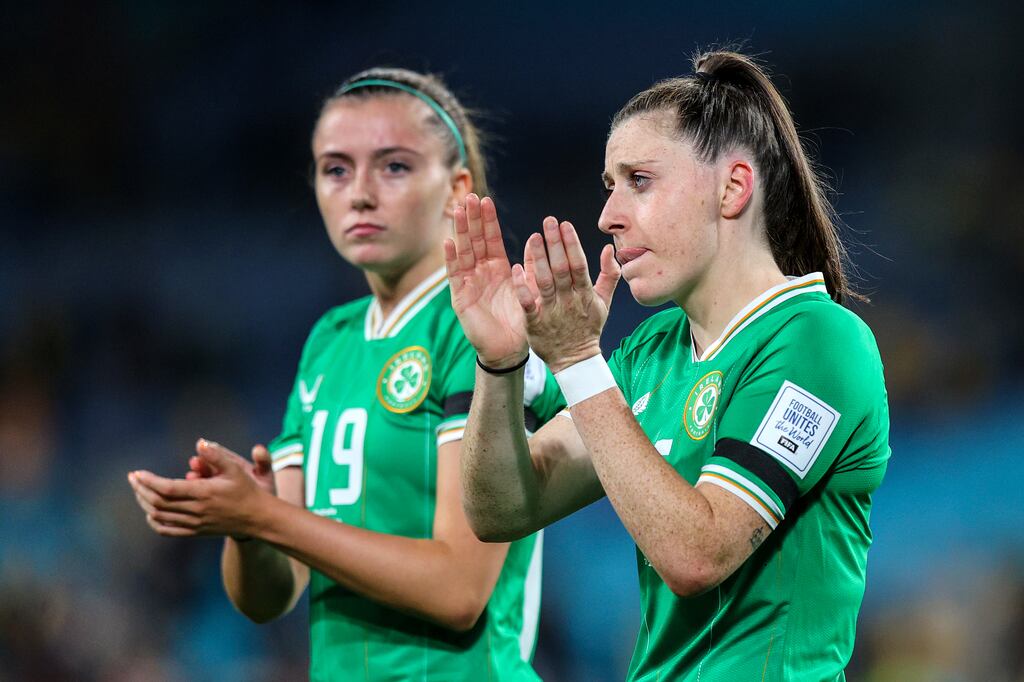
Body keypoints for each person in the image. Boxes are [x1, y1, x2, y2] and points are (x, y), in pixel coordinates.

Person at [445, 50, 890, 681]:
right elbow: (501, 510)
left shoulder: (819, 339)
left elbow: (697, 555)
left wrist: (577, 360)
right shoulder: (654, 350)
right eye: (609, 186)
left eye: (640, 181)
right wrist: (500, 364)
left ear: (733, 188)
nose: (608, 215)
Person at [127, 67, 563, 681]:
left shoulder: (484, 331)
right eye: (336, 169)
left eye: (393, 167)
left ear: (456, 186)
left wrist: (267, 517)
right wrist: (245, 525)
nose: (359, 192)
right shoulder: (330, 341)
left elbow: (459, 591)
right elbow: (271, 597)